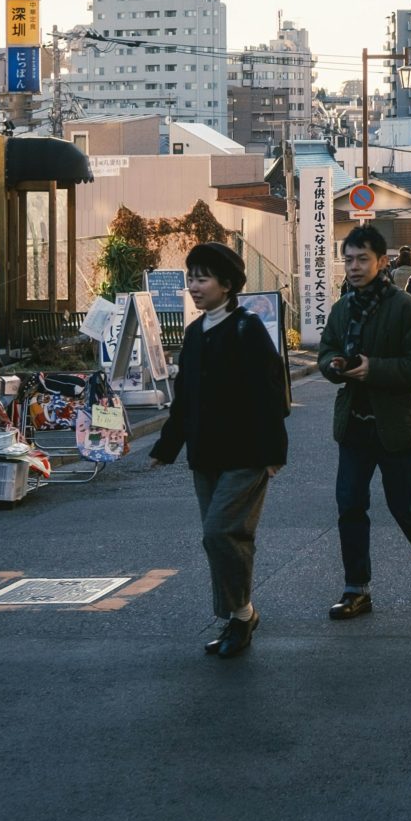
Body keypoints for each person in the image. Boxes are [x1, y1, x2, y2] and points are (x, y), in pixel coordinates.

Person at [151, 241, 289, 659]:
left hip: (247, 453)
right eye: (191, 277)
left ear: (226, 285)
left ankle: (240, 615)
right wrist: (165, 447)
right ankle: (238, 617)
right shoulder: (194, 334)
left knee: (221, 532)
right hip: (205, 455)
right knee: (224, 538)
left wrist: (273, 453)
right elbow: (185, 402)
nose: (194, 285)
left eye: (203, 278)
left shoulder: (248, 329)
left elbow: (271, 396)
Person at [321, 223, 411, 618]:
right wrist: (335, 365)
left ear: (382, 262)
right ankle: (356, 589)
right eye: (349, 260)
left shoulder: (405, 307)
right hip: (355, 424)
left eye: (363, 259)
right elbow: (326, 351)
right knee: (349, 504)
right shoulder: (343, 308)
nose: (355, 267)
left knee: (402, 504)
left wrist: (372, 369)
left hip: (398, 424)